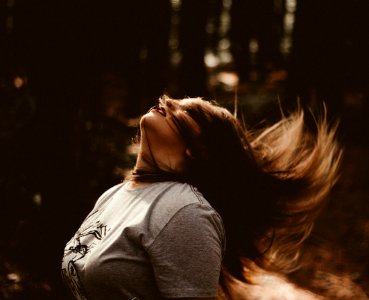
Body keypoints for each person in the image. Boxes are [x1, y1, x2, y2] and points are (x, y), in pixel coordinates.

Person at [61, 95, 342, 299]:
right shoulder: (115, 195)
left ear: (200, 150)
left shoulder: (185, 212)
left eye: (188, 112)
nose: (168, 99)